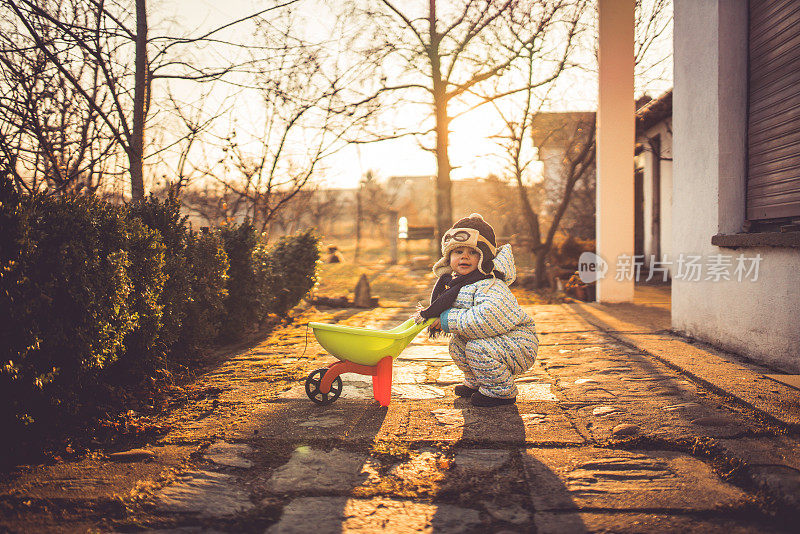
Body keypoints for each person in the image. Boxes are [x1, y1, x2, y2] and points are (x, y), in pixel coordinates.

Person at [413, 213, 539, 407]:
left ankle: (500, 391)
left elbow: (488, 318)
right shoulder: (456, 284)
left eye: (472, 252)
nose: (464, 256)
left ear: (484, 257)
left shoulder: (490, 284)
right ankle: (479, 382)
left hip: (517, 341)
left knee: (477, 348)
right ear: (448, 258)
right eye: (457, 252)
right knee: (457, 344)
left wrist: (448, 320)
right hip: (496, 340)